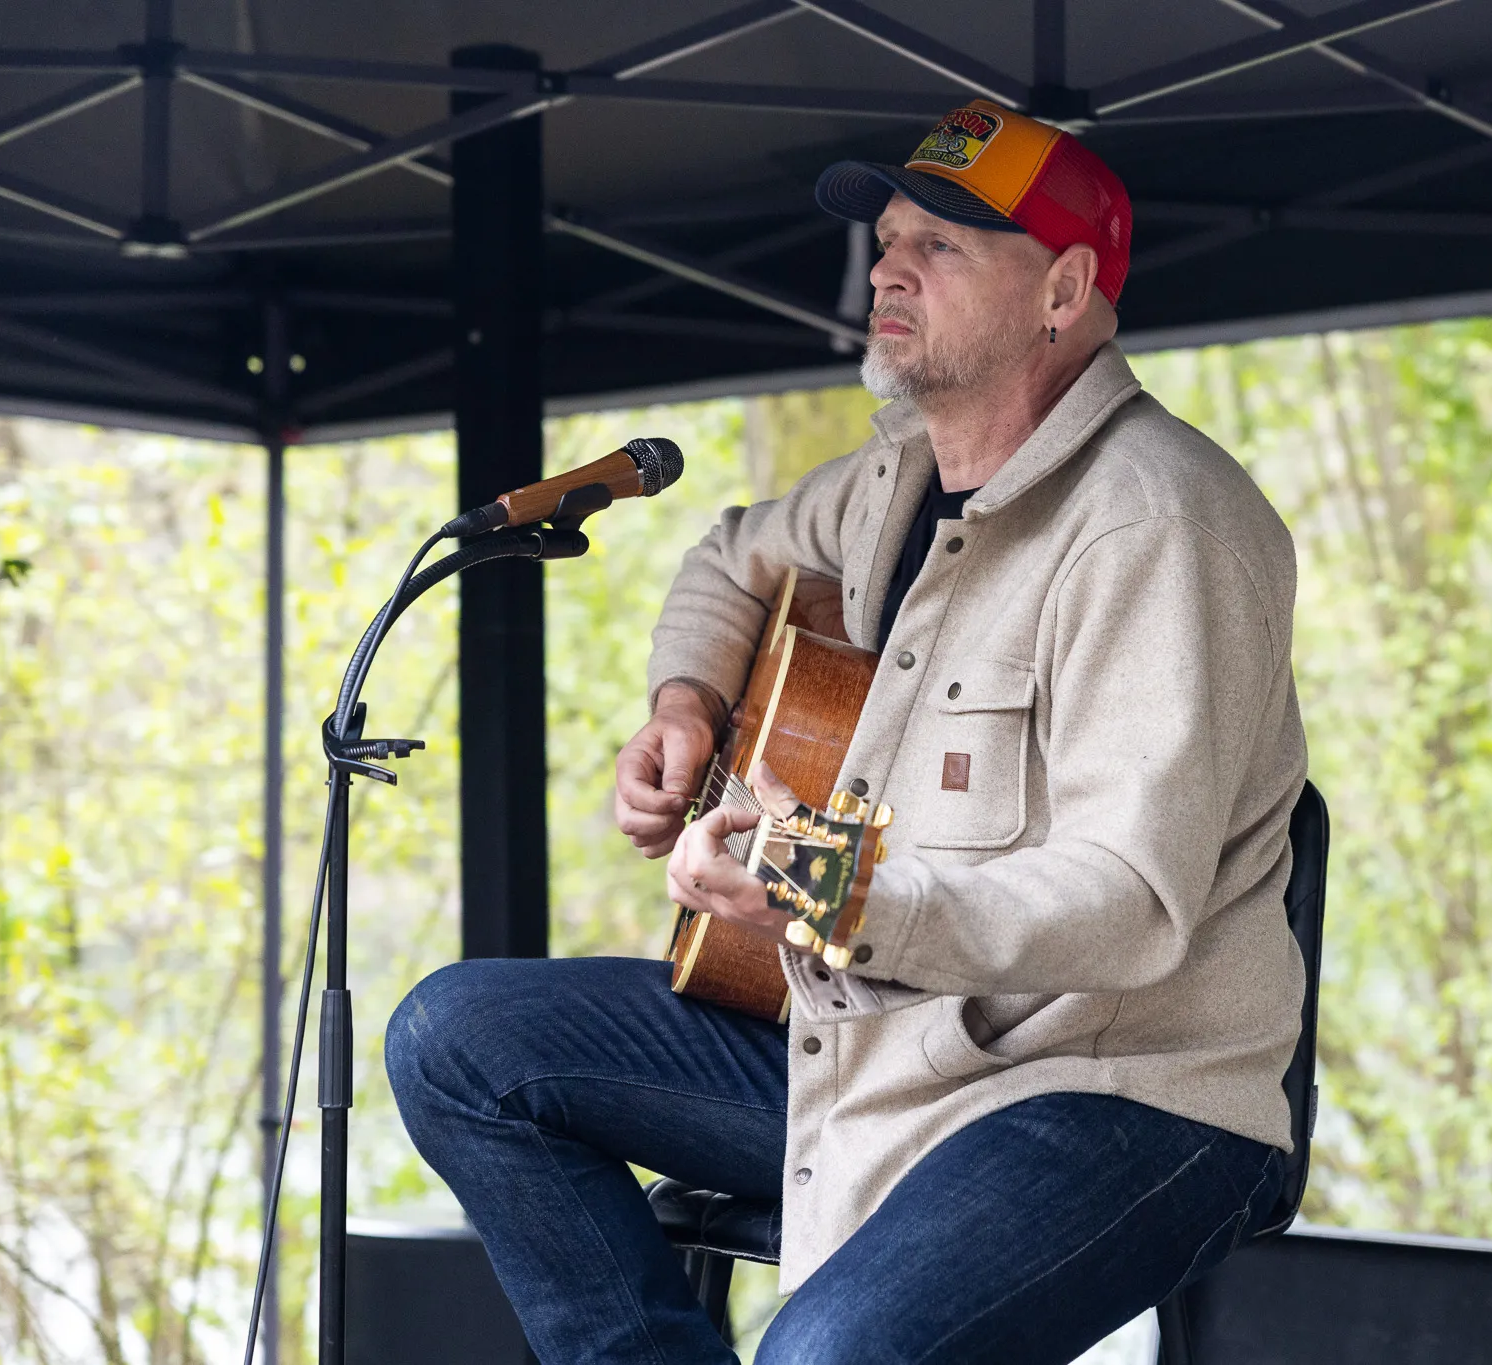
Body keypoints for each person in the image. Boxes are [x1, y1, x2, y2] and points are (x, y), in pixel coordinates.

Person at [386, 99, 1309, 1364]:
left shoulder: (1158, 527)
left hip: (1113, 1091)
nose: (885, 271)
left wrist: (824, 889)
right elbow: (730, 557)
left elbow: (1127, 901)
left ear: (1062, 291)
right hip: (869, 1046)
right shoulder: (894, 477)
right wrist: (684, 704)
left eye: (940, 246)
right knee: (454, 1039)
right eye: (886, 242)